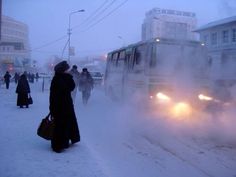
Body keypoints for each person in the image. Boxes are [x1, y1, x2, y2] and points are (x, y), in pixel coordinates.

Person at [49, 60, 80, 153]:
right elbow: (71, 87)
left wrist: (51, 107)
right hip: (62, 106)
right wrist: (69, 77)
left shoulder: (57, 78)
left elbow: (52, 95)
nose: (68, 70)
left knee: (63, 125)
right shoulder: (62, 79)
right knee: (62, 125)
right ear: (63, 70)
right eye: (67, 69)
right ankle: (59, 145)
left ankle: (63, 143)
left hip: (60, 106)